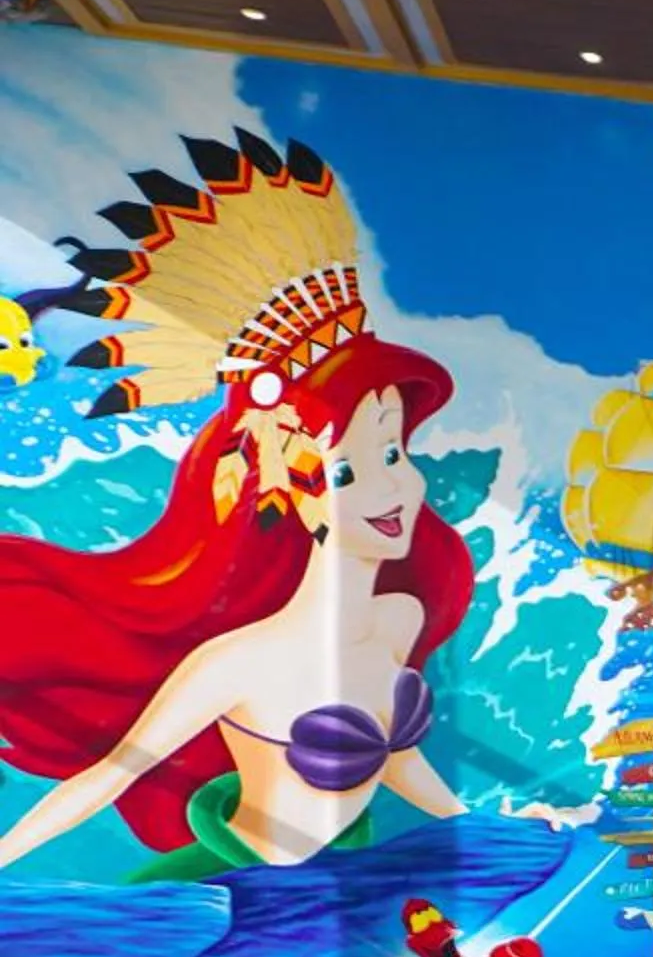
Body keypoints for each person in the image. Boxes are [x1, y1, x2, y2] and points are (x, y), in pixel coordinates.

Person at [0, 133, 481, 877]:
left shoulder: (399, 619)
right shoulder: (239, 661)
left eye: (394, 453)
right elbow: (113, 773)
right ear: (293, 494)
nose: (394, 487)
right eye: (349, 472)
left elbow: (393, 762)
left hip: (341, 883)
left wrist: (476, 828)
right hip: (227, 897)